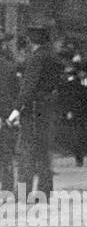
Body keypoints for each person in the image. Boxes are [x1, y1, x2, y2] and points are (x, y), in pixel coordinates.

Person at [16, 25, 59, 198]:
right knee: (43, 151)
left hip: (32, 110)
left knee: (26, 152)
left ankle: (23, 193)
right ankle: (45, 191)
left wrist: (16, 108)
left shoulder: (36, 58)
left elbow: (29, 87)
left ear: (31, 39)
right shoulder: (52, 57)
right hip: (46, 110)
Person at [0, 38, 18, 194]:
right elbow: (14, 94)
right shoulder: (10, 67)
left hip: (4, 116)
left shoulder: (8, 67)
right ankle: (7, 187)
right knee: (5, 153)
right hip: (5, 117)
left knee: (5, 152)